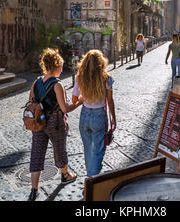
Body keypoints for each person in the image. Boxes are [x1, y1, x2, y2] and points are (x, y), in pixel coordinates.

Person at [28, 48, 83, 202]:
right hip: (55, 122)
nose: (61, 69)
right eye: (61, 66)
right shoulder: (57, 85)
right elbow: (65, 108)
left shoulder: (36, 82)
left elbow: (32, 103)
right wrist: (79, 103)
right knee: (59, 149)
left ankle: (34, 190)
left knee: (37, 153)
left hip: (39, 122)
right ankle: (66, 175)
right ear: (57, 66)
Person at [72, 49, 116, 177]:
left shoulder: (80, 77)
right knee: (98, 149)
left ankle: (90, 175)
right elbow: (110, 100)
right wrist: (113, 118)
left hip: (84, 116)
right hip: (99, 116)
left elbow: (74, 99)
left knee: (88, 149)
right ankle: (92, 179)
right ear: (101, 62)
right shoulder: (107, 78)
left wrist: (84, 97)